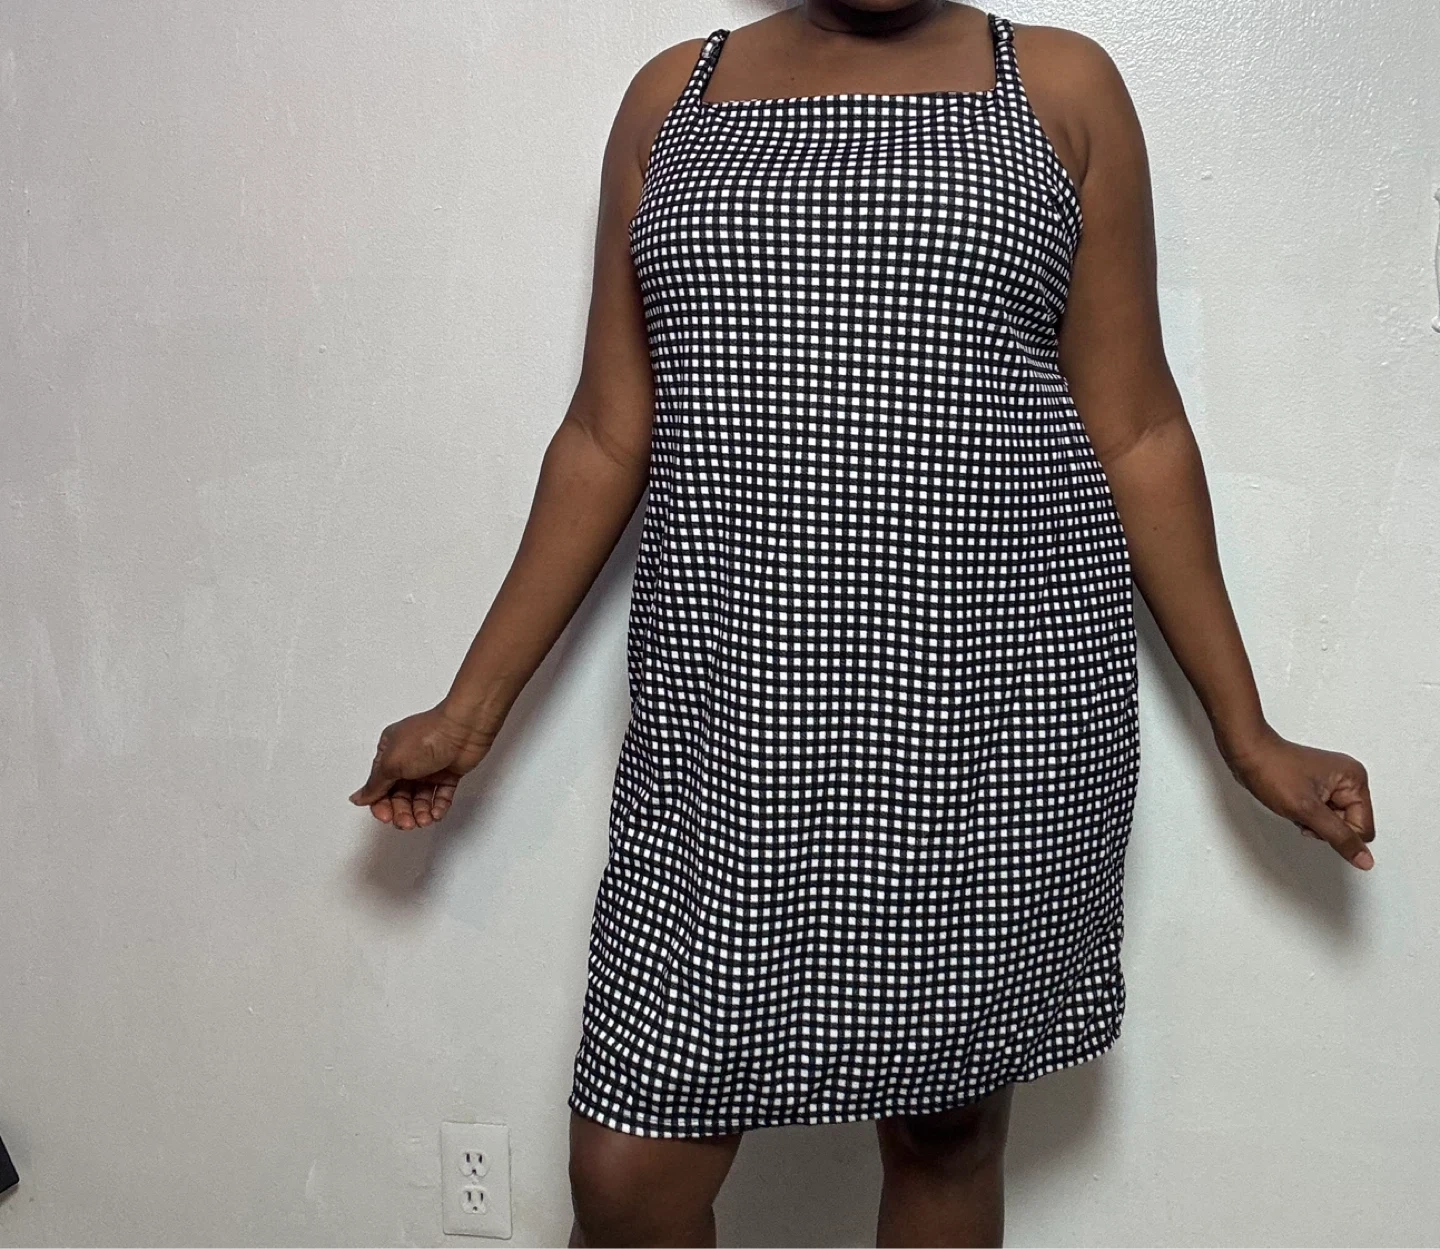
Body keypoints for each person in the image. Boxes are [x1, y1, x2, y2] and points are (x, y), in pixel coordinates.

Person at [349, 3, 1378, 1245]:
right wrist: (470, 710)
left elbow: (1140, 431)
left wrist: (1248, 733)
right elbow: (608, 434)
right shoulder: (675, 96)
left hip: (990, 709)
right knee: (627, 1176)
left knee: (945, 1131)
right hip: (729, 721)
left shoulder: (1059, 86)